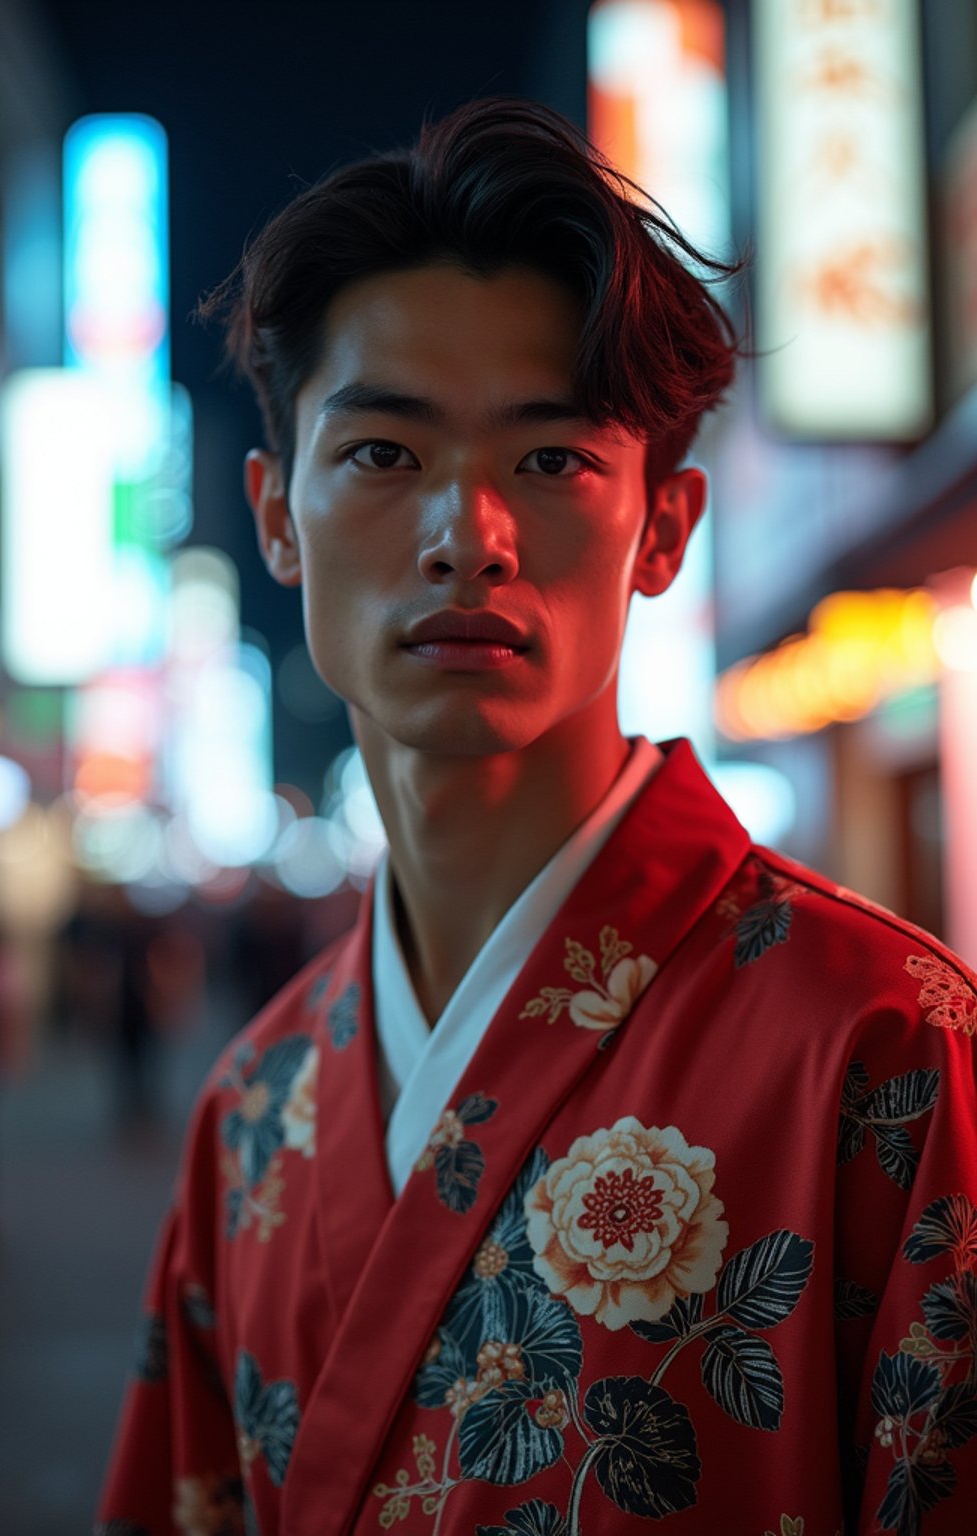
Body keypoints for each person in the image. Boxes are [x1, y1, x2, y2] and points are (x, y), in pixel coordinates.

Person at [97, 98, 977, 1535]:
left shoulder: (886, 1045)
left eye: (552, 459)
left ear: (666, 527)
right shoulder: (252, 1111)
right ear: (274, 515)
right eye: (384, 455)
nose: (466, 533)